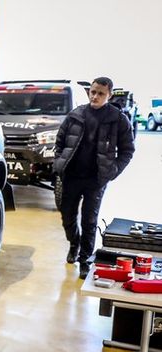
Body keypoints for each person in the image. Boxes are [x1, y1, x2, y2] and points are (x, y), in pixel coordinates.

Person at [53, 76, 135, 279]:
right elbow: (60, 142)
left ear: (109, 95)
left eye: (100, 93)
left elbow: (127, 150)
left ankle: (84, 260)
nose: (95, 96)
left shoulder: (118, 119)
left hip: (96, 179)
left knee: (90, 220)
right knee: (67, 217)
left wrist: (112, 171)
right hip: (71, 176)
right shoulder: (76, 114)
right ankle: (74, 244)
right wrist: (59, 163)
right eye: (93, 91)